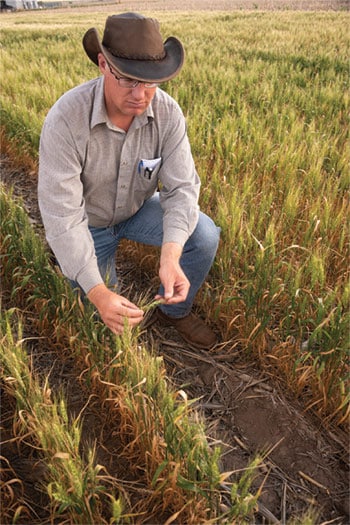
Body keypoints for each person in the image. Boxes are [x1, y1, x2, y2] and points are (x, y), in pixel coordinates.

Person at [38, 12, 220, 349]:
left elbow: (182, 189)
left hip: (136, 211)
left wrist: (170, 256)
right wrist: (98, 292)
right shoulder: (65, 120)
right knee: (106, 324)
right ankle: (77, 270)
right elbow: (61, 217)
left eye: (151, 81)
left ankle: (176, 312)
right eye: (128, 80)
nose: (141, 94)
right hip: (86, 223)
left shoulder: (168, 114)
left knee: (204, 235)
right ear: (103, 65)